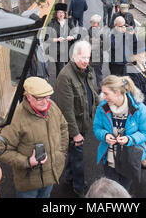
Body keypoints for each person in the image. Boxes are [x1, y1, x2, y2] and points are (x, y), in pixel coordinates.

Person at [0, 77, 69, 198]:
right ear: (28, 96)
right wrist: (27, 162)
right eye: (40, 98)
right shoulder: (16, 118)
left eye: (47, 96)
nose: (46, 102)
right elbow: (1, 150)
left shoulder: (52, 107)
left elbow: (64, 127)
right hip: (29, 183)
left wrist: (61, 152)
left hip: (51, 175)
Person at [54, 41, 99, 197]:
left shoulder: (87, 71)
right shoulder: (65, 76)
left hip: (84, 122)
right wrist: (75, 133)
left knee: (74, 152)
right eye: (82, 57)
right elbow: (66, 110)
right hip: (75, 127)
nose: (86, 60)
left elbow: (92, 93)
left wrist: (106, 107)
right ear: (73, 56)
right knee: (78, 156)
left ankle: (68, 176)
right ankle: (79, 186)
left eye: (88, 57)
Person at [93, 75, 146, 191]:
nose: (103, 97)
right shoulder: (102, 107)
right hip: (109, 159)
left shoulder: (140, 109)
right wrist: (104, 135)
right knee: (111, 190)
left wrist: (129, 139)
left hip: (129, 159)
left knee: (123, 190)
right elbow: (97, 128)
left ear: (118, 93)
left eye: (106, 93)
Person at [44, 2, 79, 77]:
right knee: (60, 71)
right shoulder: (51, 23)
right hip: (58, 51)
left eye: (62, 12)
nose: (61, 14)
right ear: (56, 13)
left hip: (69, 49)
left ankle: (70, 86)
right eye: (59, 12)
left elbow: (77, 33)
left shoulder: (69, 21)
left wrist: (72, 37)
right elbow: (46, 38)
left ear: (65, 13)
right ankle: (60, 87)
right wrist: (57, 39)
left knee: (71, 70)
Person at [88, 14, 104, 89]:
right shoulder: (88, 32)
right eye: (93, 23)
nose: (95, 25)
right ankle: (92, 88)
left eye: (96, 23)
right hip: (91, 56)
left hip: (97, 56)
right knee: (91, 73)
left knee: (98, 73)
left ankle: (99, 88)